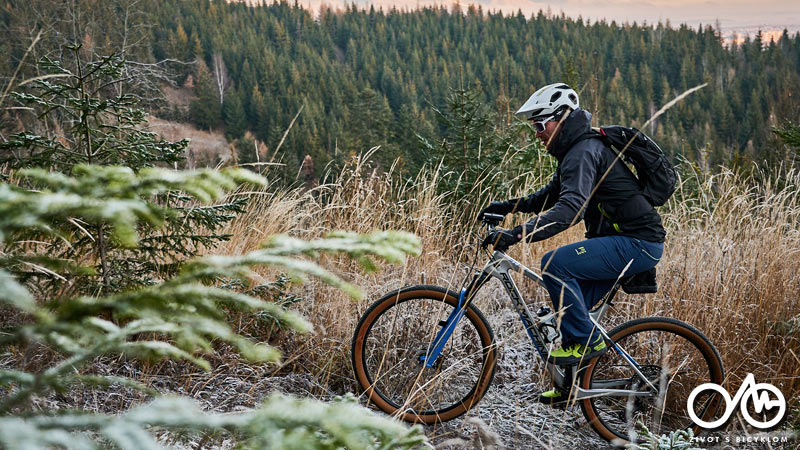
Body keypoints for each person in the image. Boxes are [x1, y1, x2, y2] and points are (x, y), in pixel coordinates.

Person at [478, 83, 666, 404]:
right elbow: (549, 197)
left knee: (555, 264)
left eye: (540, 124)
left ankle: (586, 343)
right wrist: (507, 207)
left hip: (637, 243)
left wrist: (516, 235)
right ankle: (572, 387)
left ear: (561, 119)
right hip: (625, 242)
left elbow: (569, 210)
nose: (537, 133)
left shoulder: (583, 151)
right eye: (534, 126)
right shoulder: (575, 150)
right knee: (568, 311)